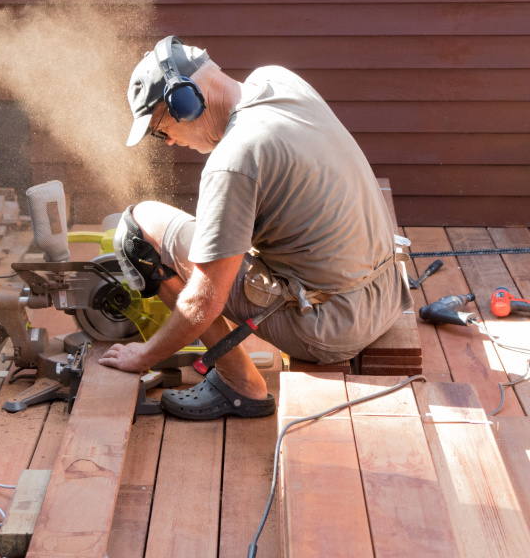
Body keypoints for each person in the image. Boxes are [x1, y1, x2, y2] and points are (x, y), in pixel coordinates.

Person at [98, 36, 412, 420]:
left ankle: (239, 384)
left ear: (185, 103)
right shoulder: (278, 80)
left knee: (136, 231)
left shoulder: (234, 160)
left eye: (161, 131)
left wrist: (145, 356)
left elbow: (204, 300)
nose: (166, 143)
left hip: (331, 327)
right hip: (387, 294)